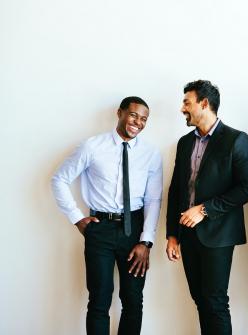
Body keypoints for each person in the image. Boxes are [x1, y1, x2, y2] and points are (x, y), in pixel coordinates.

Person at [51, 96, 163, 335]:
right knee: (99, 300)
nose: (138, 122)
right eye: (133, 115)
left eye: (144, 119)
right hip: (99, 229)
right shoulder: (92, 146)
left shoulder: (151, 154)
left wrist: (146, 241)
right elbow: (59, 179)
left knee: (133, 301)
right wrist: (77, 218)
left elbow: (153, 200)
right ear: (120, 113)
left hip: (134, 231)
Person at [165, 80, 248, 335]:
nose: (182, 108)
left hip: (219, 234)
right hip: (187, 233)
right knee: (200, 300)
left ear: (204, 104)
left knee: (215, 302)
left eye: (187, 102)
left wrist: (204, 209)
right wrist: (172, 235)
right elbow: (175, 191)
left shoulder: (236, 139)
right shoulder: (184, 143)